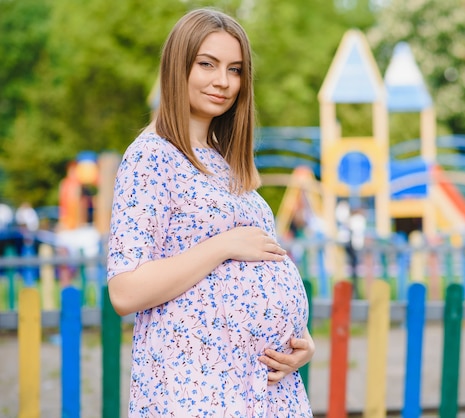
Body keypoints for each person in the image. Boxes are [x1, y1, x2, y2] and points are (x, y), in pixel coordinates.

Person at [106, 8, 314, 417]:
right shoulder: (150, 157)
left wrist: (300, 342)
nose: (223, 81)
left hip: (264, 388)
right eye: (207, 64)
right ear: (177, 66)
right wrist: (224, 245)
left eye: (235, 69)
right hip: (198, 388)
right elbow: (125, 290)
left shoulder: (223, 160)